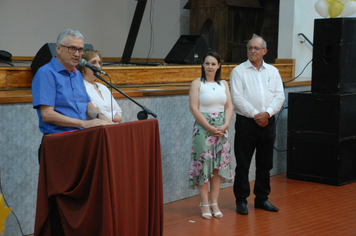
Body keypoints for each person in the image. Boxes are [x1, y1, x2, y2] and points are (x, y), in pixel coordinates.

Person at [230, 36, 285, 215]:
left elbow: (279, 97)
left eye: (256, 48)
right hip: (246, 123)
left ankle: (262, 199)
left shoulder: (273, 71)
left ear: (264, 51)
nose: (253, 51)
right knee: (243, 163)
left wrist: (267, 114)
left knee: (265, 163)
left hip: (268, 122)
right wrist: (256, 115)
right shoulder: (239, 71)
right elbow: (237, 99)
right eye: (250, 48)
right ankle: (241, 200)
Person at [32, 29, 113, 136]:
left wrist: (103, 118)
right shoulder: (46, 73)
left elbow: (90, 107)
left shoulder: (77, 75)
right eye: (72, 48)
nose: (77, 54)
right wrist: (84, 123)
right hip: (60, 139)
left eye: (80, 50)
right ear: (58, 49)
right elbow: (47, 114)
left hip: (82, 135)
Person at [188, 51, 234, 220]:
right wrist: (208, 126)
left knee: (217, 168)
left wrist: (226, 125)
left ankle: (214, 203)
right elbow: (194, 108)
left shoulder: (224, 84)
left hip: (222, 129)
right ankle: (204, 204)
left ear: (219, 66)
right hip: (203, 129)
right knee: (203, 165)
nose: (210, 67)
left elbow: (229, 107)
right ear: (203, 65)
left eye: (213, 64)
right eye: (207, 63)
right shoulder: (197, 84)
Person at [77, 50, 123, 123]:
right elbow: (93, 113)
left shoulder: (103, 87)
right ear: (83, 67)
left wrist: (110, 116)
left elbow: (119, 112)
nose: (98, 66)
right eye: (93, 62)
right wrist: (113, 116)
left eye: (99, 63)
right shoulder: (81, 87)